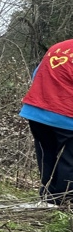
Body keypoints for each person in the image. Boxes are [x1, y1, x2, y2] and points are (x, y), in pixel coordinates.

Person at [20, 38, 73, 205]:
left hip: (36, 112)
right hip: (66, 115)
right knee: (69, 162)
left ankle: (47, 199)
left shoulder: (58, 47)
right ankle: (64, 204)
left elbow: (37, 74)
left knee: (47, 155)